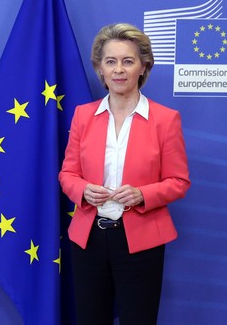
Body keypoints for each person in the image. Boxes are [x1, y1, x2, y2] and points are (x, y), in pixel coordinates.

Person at [59, 23, 190, 325]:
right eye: (111, 61)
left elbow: (179, 181)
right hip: (88, 239)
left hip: (141, 241)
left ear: (143, 67)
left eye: (128, 61)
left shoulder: (165, 120)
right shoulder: (82, 115)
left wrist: (142, 194)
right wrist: (82, 191)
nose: (119, 69)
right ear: (100, 70)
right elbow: (68, 173)